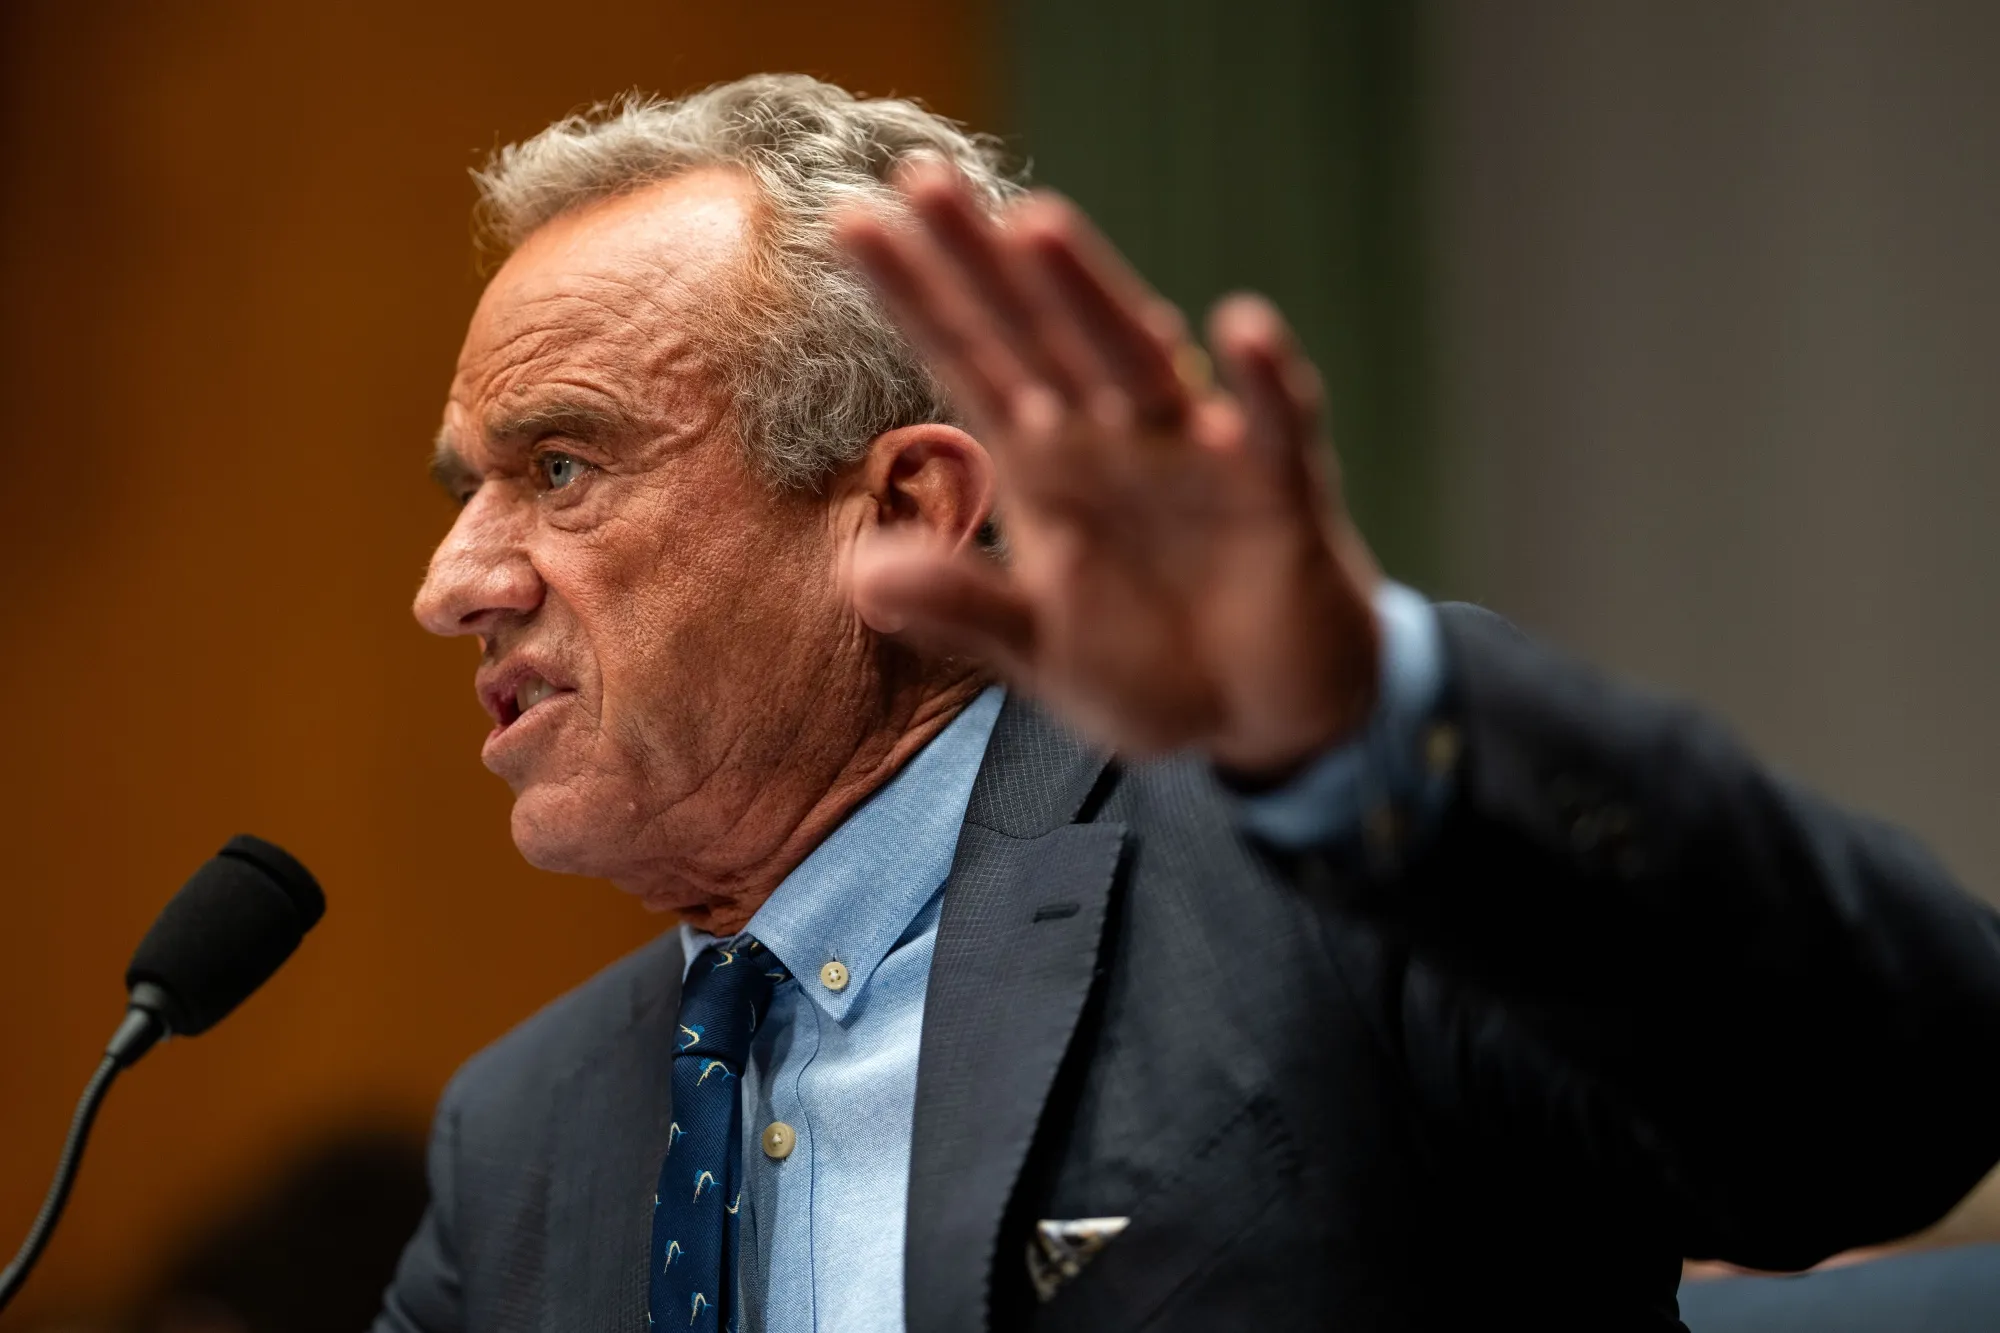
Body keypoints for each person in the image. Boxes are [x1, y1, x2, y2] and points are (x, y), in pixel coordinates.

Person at [377, 75, 2000, 1332]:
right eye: (471, 490)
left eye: (562, 468)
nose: (455, 583)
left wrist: (1374, 721)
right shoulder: (521, 1147)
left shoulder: (1320, 889)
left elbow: (1893, 1108)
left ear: (907, 508)